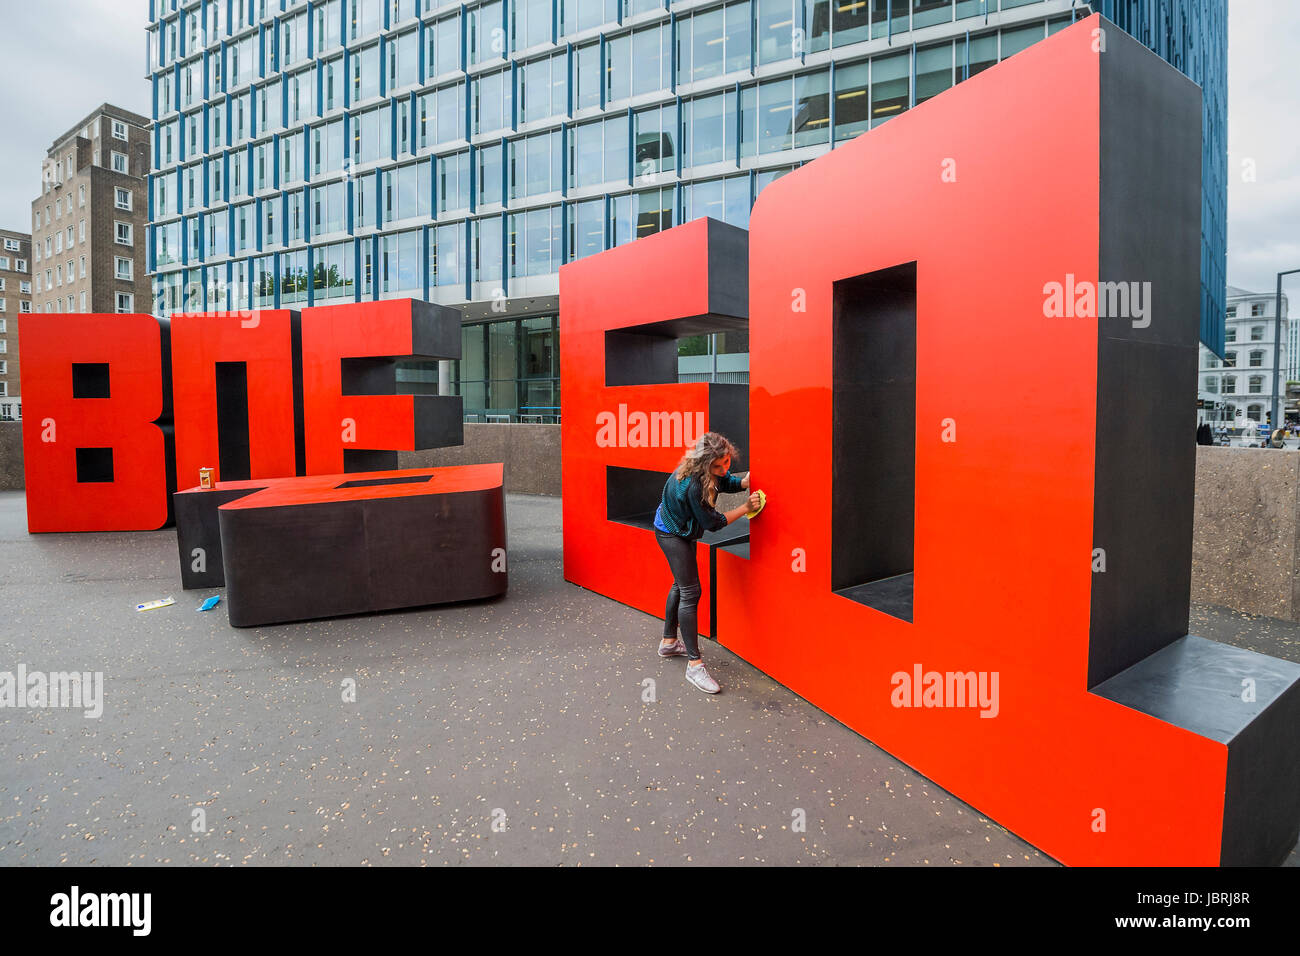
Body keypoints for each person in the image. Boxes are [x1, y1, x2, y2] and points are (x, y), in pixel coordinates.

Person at [652, 431, 761, 694]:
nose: (724, 469)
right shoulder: (693, 485)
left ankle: (669, 642)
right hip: (671, 533)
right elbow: (713, 523)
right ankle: (694, 665)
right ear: (703, 465)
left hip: (680, 529)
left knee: (681, 585)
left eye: (726, 461)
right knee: (691, 591)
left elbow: (723, 482)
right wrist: (745, 508)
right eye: (717, 465)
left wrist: (744, 483)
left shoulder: (706, 473)